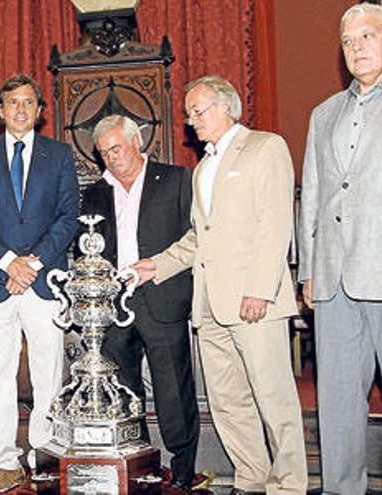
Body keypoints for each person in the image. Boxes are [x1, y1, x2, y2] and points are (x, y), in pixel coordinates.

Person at [134, 76, 307, 494]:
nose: (192, 121)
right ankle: (251, 478)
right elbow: (199, 237)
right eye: (189, 113)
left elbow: (275, 223)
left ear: (226, 106)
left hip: (253, 300)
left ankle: (288, 485)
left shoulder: (265, 147)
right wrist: (154, 266)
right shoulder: (203, 169)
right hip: (209, 305)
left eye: (199, 110)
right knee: (228, 402)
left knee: (273, 398)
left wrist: (260, 289)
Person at [0, 74, 79, 494]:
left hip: (45, 281)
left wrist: (33, 263)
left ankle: (42, 455)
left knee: (48, 373)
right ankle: (5, 462)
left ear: (41, 111)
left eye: (29, 102)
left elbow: (68, 217)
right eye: (13, 102)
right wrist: (10, 263)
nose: (21, 109)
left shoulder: (59, 155)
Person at [80, 114, 198, 493]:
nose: (111, 158)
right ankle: (141, 458)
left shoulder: (177, 178)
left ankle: (182, 465)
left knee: (172, 387)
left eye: (116, 148)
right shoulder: (95, 192)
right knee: (125, 389)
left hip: (163, 294)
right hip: (114, 302)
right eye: (103, 153)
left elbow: (194, 236)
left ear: (137, 143)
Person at [298, 3, 382, 493]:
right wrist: (309, 269)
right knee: (338, 401)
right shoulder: (323, 113)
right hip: (333, 279)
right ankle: (341, 487)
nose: (357, 48)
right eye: (349, 41)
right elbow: (312, 194)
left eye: (368, 36)